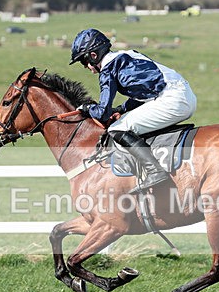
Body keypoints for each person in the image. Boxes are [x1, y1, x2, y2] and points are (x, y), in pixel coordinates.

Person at [69, 28, 197, 192]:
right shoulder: (128, 54)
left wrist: (86, 108)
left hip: (173, 100)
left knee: (117, 129)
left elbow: (102, 113)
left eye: (83, 61)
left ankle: (154, 171)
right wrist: (121, 109)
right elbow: (144, 93)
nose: (86, 67)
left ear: (93, 56)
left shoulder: (108, 69)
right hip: (184, 95)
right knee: (127, 122)